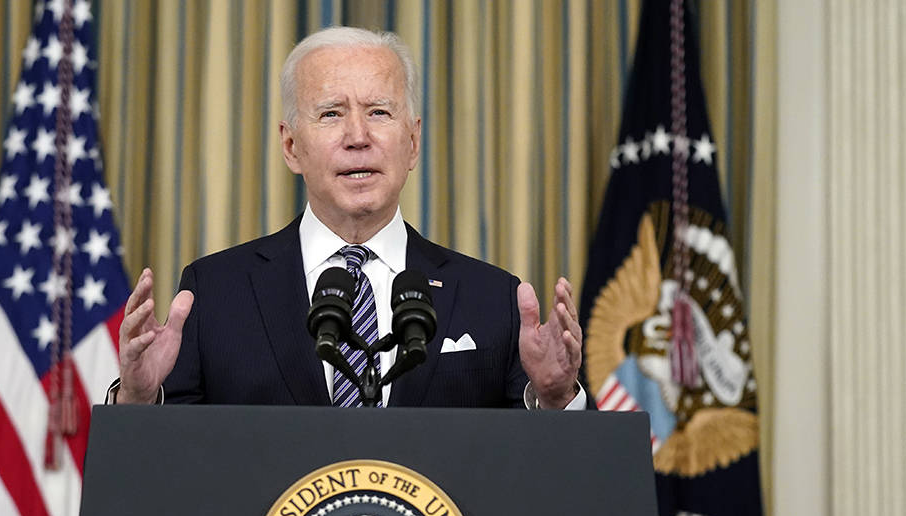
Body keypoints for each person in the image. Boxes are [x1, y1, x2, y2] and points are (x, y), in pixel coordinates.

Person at [113, 26, 585, 410]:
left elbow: (541, 484)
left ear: (413, 143)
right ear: (291, 146)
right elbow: (165, 479)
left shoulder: (491, 298)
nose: (358, 136)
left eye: (379, 112)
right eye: (331, 114)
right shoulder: (215, 294)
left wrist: (556, 398)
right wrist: (138, 398)